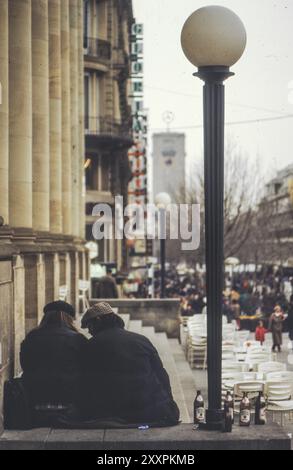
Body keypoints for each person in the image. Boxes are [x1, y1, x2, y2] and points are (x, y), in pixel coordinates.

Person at [80, 302, 180, 427]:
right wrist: (169, 402)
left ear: (98, 320)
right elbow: (161, 374)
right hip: (147, 409)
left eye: (89, 326)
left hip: (110, 412)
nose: (89, 331)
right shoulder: (141, 340)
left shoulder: (91, 345)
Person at [20, 301, 87, 426]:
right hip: (69, 397)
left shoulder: (31, 337)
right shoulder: (78, 338)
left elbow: (25, 364)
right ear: (70, 318)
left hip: (36, 396)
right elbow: (86, 366)